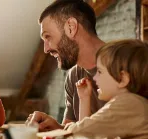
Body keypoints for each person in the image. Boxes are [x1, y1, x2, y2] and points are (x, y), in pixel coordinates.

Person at [26, 0, 107, 131]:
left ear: (71, 27)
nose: (46, 49)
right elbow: (74, 133)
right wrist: (56, 128)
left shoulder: (128, 65)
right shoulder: (74, 76)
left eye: (48, 37)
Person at [54, 39, 148, 139]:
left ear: (123, 79)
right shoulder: (135, 103)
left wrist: (64, 128)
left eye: (100, 71)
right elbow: (86, 138)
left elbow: (79, 132)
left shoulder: (129, 104)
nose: (94, 77)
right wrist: (84, 99)